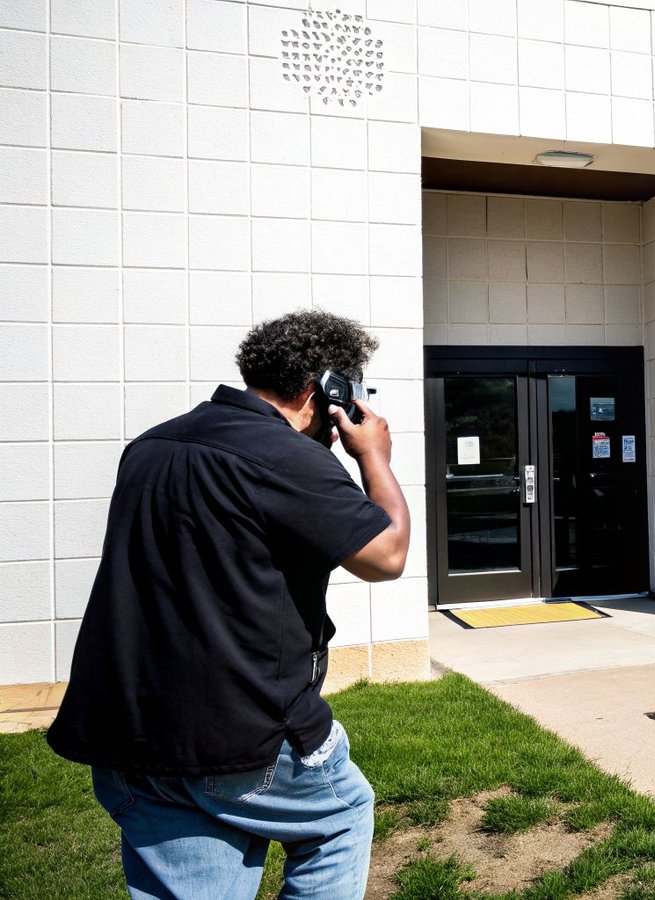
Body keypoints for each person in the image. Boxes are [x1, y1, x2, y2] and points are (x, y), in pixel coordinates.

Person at [47, 309, 411, 899]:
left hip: (131, 733)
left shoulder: (152, 444)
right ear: (324, 391)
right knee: (341, 816)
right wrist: (375, 457)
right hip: (244, 737)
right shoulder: (287, 457)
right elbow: (386, 555)